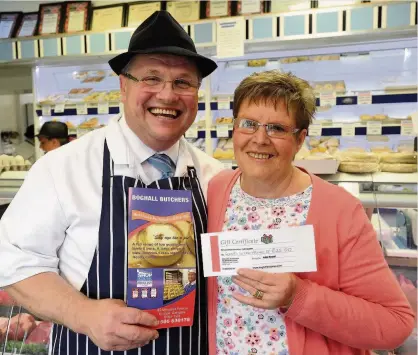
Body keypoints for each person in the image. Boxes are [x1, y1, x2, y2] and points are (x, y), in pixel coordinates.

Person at [0, 11, 222, 355]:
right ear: (123, 84)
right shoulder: (62, 168)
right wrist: (84, 314)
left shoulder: (215, 177)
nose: (167, 94)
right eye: (152, 78)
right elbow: (14, 263)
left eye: (183, 82)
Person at [205, 70, 415, 355]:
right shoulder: (217, 189)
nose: (260, 139)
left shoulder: (339, 210)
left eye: (277, 128)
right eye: (248, 124)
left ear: (300, 139)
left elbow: (394, 324)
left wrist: (298, 296)